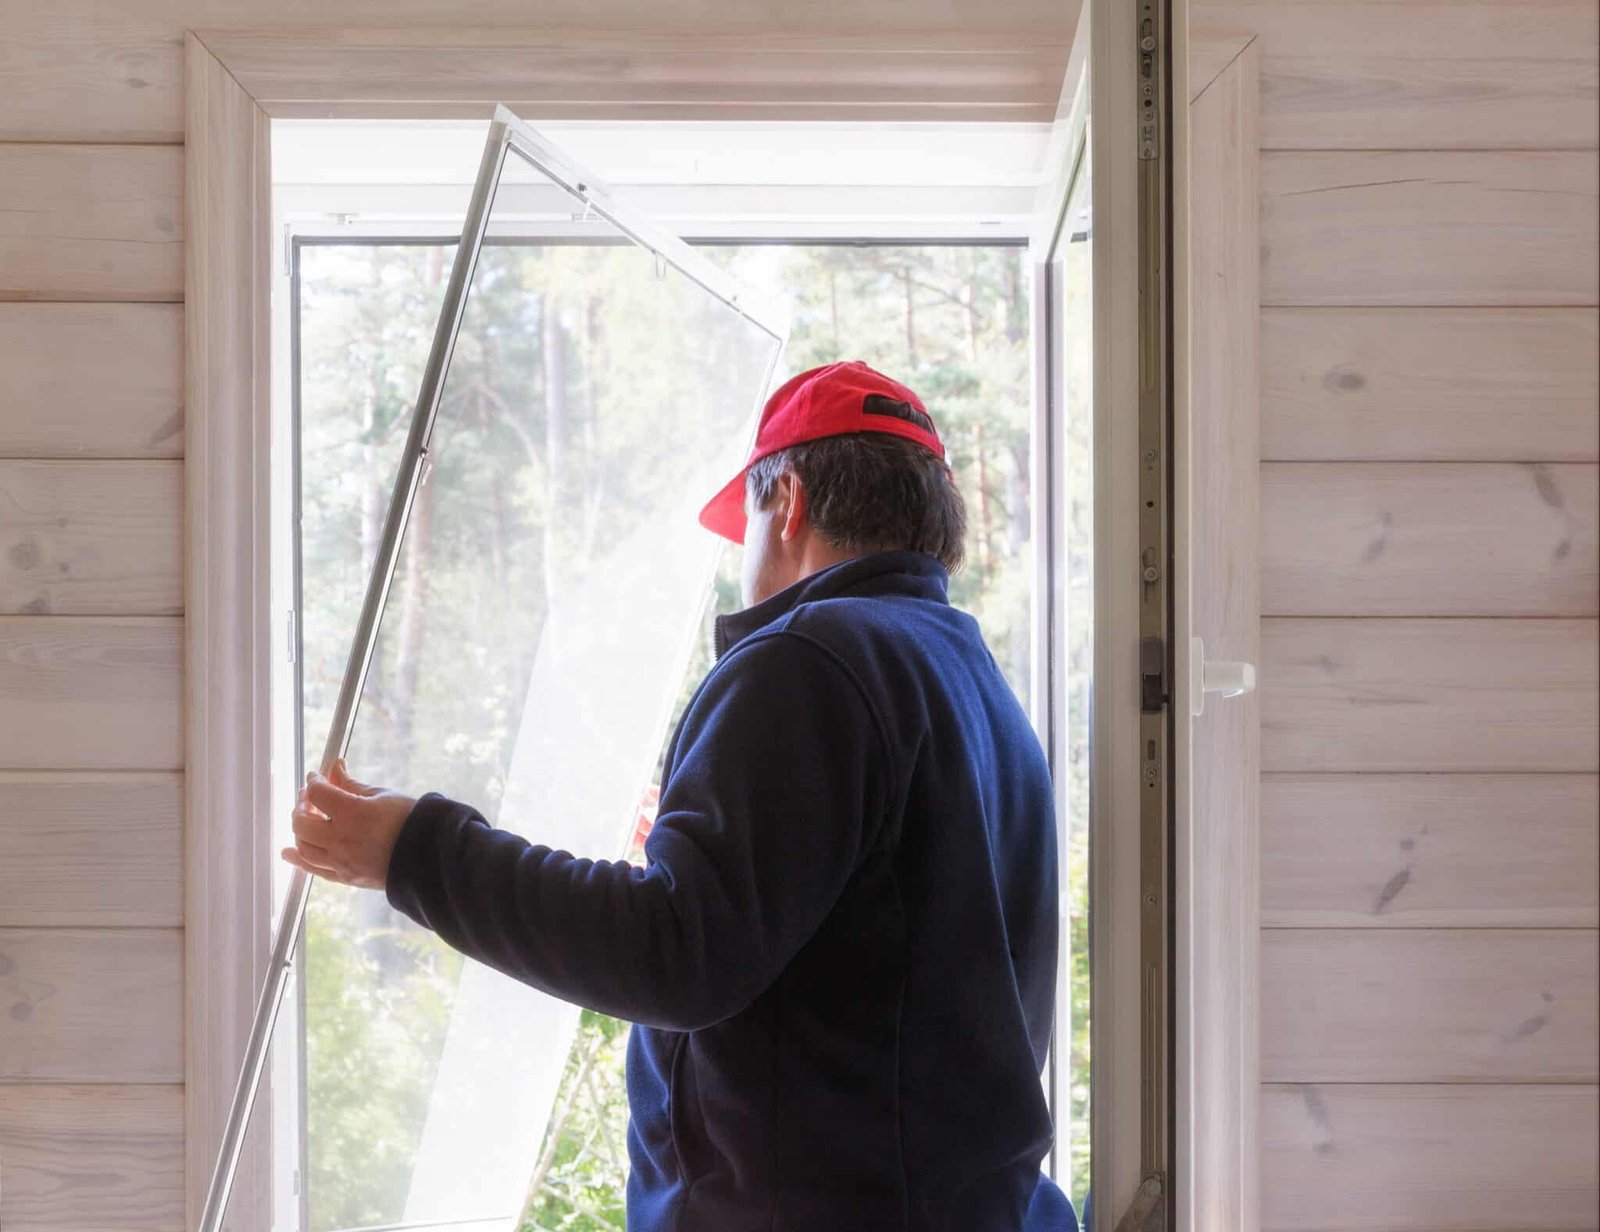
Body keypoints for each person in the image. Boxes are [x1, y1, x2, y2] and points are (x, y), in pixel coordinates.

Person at [286, 360, 1079, 1232]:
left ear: (789, 505)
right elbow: (876, 958)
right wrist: (705, 853)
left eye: (742, 524)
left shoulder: (808, 659)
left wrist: (417, 852)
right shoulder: (975, 683)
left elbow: (677, 953)